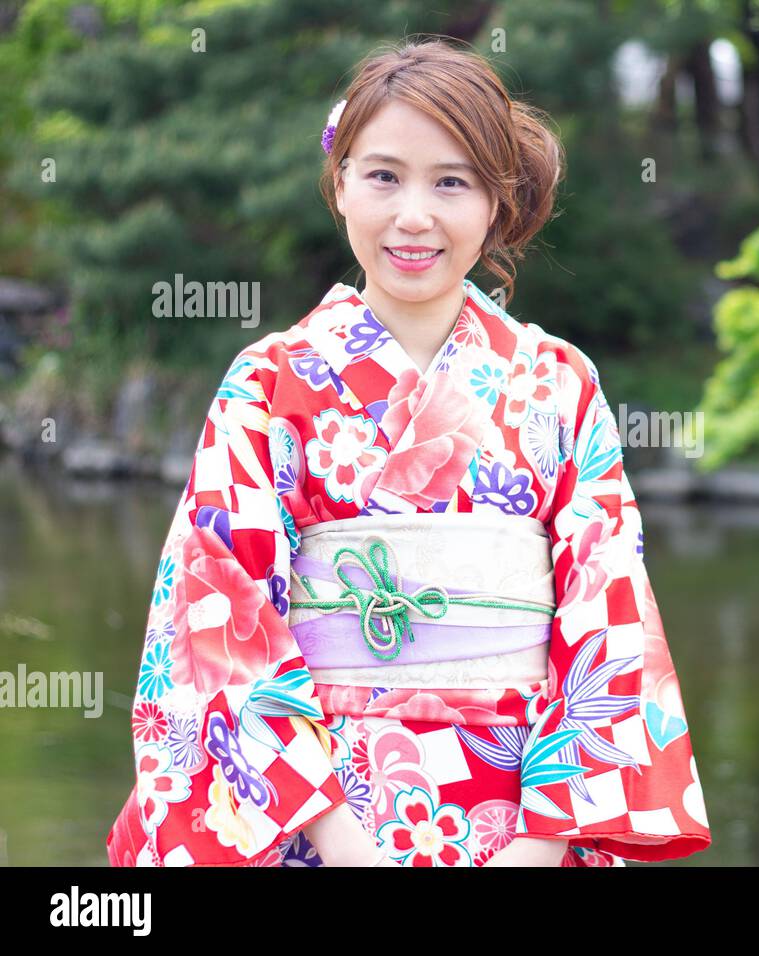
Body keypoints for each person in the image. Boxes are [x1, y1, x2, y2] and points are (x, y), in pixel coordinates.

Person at [104, 36, 711, 867]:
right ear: (341, 184)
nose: (413, 214)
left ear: (497, 202)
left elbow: (609, 619)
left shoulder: (559, 382)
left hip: (523, 812)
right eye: (383, 175)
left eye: (451, 182)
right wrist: (345, 847)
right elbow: (217, 619)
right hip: (318, 820)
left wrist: (536, 846)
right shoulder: (269, 382)